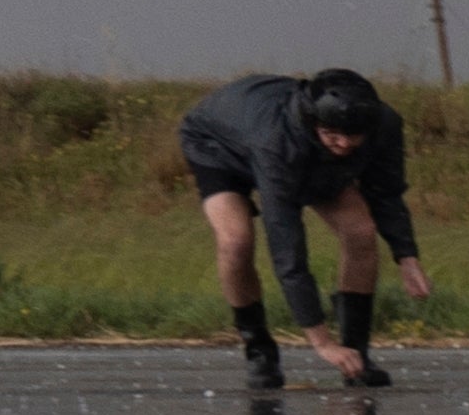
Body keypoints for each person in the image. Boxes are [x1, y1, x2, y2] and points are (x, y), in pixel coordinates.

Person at [177, 68, 432, 389]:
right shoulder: (276, 144)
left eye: (354, 136)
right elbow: (287, 250)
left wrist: (406, 256)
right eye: (334, 134)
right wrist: (321, 342)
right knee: (236, 241)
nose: (344, 143)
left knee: (361, 231)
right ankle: (259, 349)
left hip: (303, 150)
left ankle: (356, 355)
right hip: (217, 146)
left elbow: (386, 192)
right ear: (314, 121)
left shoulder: (383, 124)